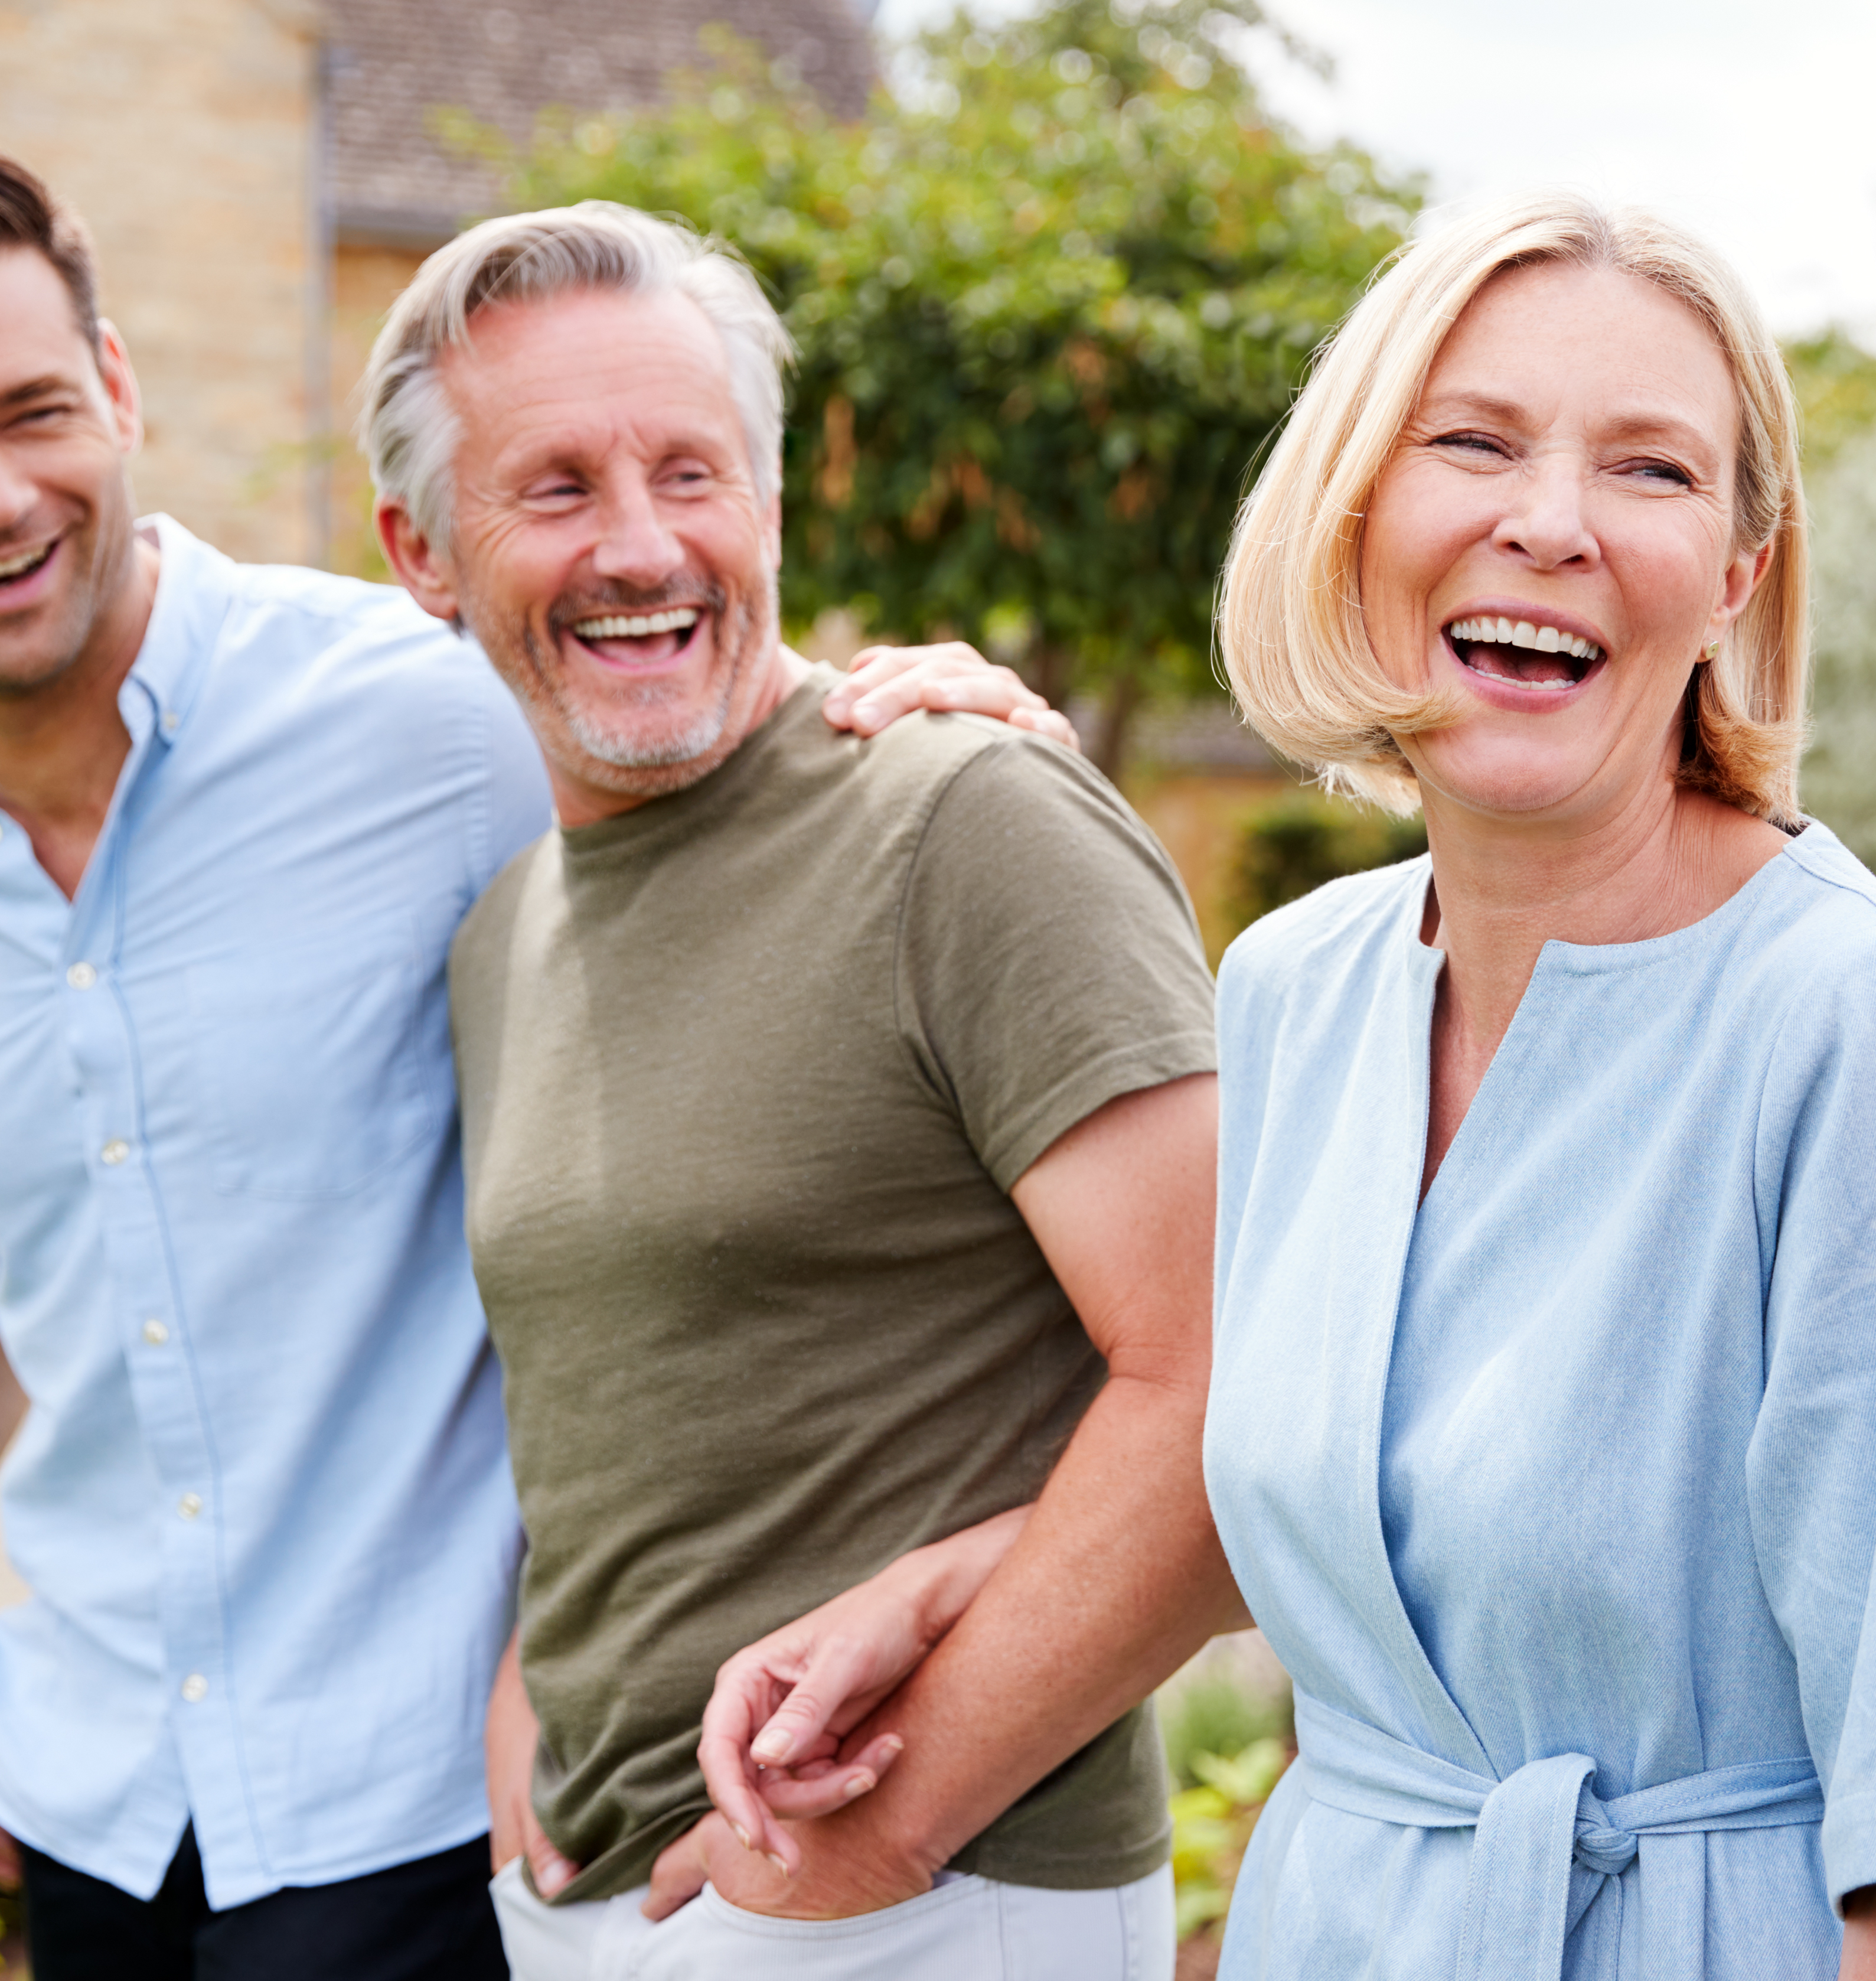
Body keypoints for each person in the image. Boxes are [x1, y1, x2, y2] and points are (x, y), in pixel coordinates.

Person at [0, 145, 1060, 1978]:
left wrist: (919, 718)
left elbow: (671, 670)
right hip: (82, 1805)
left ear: (118, 393)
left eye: (30, 410)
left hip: (442, 1803)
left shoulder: (422, 712)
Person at [1174, 191, 1876, 1981]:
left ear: (1738, 571)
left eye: (1651, 471)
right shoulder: (1287, 992)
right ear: (1355, 511)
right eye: (1473, 442)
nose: (1548, 523)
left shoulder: (1849, 1013)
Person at [365, 201, 1237, 1981]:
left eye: (693, 472)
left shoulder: (961, 820)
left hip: (923, 1891)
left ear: (768, 501)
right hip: (604, 1904)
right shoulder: (501, 933)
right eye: (554, 489)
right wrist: (534, 1711)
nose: (640, 547)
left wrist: (870, 1841)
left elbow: (1239, 1392)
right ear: (423, 550)